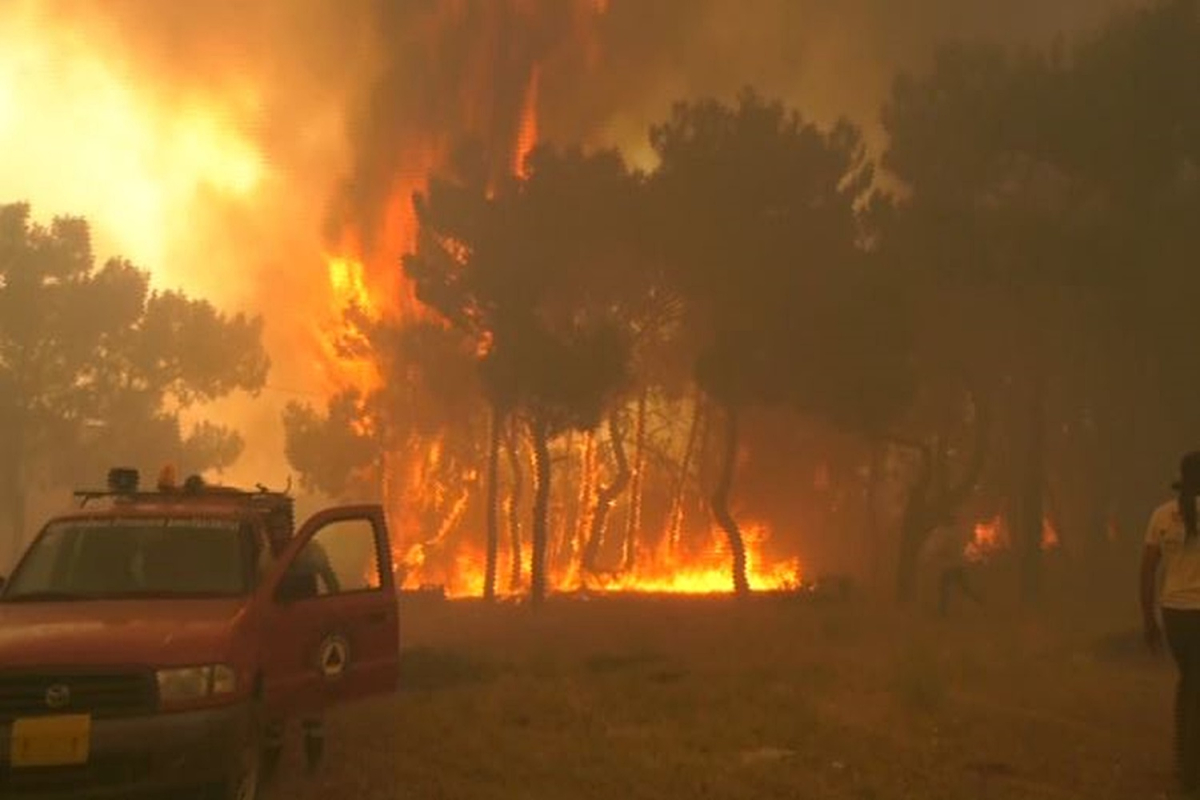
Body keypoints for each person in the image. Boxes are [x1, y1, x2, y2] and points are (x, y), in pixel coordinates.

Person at [1142, 451, 1200, 795]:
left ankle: (1184, 760)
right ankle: (1192, 772)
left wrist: (1149, 619)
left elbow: (1147, 570)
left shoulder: (1162, 515)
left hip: (1174, 615)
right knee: (1196, 686)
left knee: (1189, 684)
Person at [918, 520, 982, 617]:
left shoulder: (947, 535)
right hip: (957, 566)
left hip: (952, 566)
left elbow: (945, 549)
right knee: (963, 588)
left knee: (946, 588)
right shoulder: (954, 534)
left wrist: (938, 555)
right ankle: (979, 601)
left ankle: (942, 612)